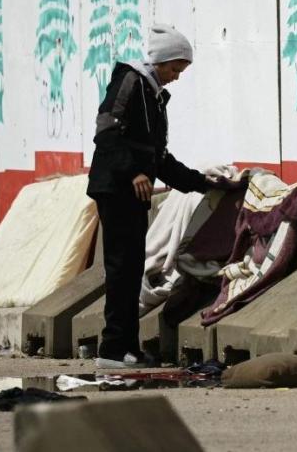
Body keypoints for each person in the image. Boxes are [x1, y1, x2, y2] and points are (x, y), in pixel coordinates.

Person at [86, 24, 237, 368]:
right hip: (116, 189)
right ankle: (112, 348)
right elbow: (106, 132)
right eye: (175, 69)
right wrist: (133, 172)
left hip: (132, 191)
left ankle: (127, 347)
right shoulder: (129, 82)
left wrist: (203, 184)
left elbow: (159, 159)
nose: (176, 77)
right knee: (121, 268)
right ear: (161, 61)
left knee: (132, 268)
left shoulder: (152, 94)